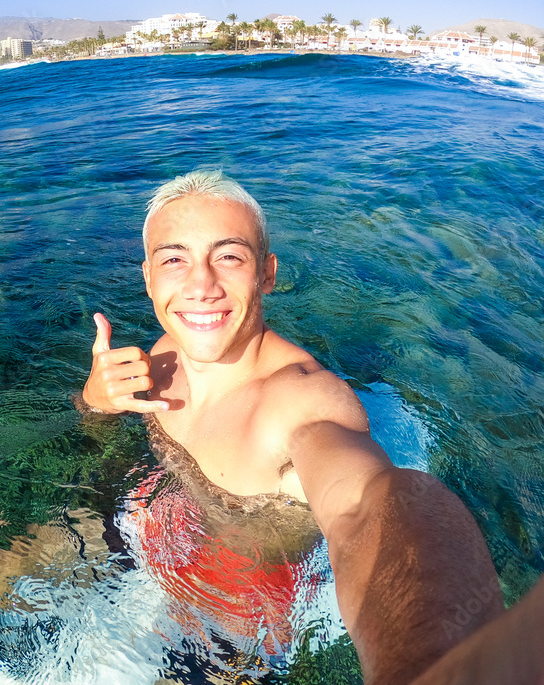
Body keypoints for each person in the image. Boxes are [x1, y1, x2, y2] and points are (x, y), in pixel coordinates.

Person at [82, 170, 544, 684]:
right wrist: (96, 400)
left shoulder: (301, 401)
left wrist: (431, 665)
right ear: (148, 277)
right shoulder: (165, 353)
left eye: (228, 257)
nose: (201, 285)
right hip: (155, 529)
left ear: (267, 274)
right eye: (175, 260)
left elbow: (365, 506)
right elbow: (102, 440)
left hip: (234, 612)